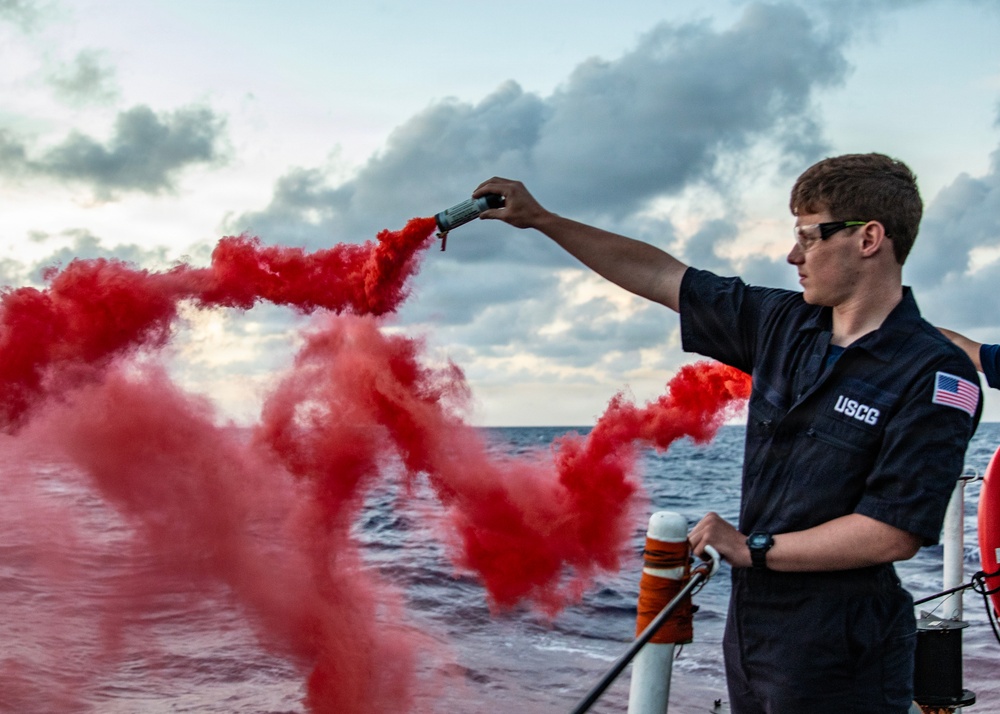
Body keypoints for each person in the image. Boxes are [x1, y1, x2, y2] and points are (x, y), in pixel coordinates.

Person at [472, 153, 981, 714]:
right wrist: (542, 219)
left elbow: (892, 532)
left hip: (845, 649)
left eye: (808, 237)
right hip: (752, 633)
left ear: (868, 239)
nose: (793, 256)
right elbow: (662, 277)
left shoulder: (935, 374)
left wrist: (750, 547)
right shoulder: (782, 323)